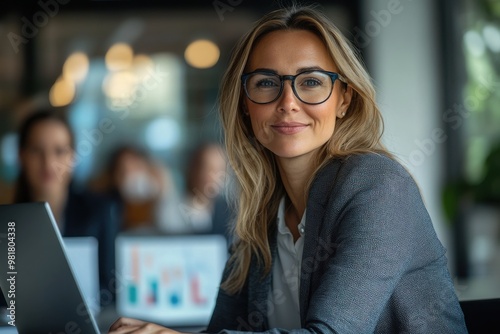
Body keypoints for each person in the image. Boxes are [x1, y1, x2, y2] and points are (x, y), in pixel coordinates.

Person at [109, 5, 467, 333]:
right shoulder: (259, 216)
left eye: (310, 81)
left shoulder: (379, 188)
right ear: (246, 105)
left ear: (344, 99)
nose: (288, 103)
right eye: (266, 83)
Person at [12, 109, 120, 303]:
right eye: (37, 150)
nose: (48, 163)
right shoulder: (7, 221)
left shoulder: (99, 211)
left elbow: (111, 289)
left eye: (59, 151)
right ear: (21, 156)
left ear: (73, 157)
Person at [157, 143, 232, 240]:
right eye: (207, 168)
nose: (214, 177)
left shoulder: (228, 212)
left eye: (220, 170)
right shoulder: (171, 209)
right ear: (193, 169)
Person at [105, 144, 179, 232]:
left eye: (136, 167)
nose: (131, 176)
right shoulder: (109, 206)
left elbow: (174, 232)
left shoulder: (161, 198)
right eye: (123, 171)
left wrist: (165, 194)